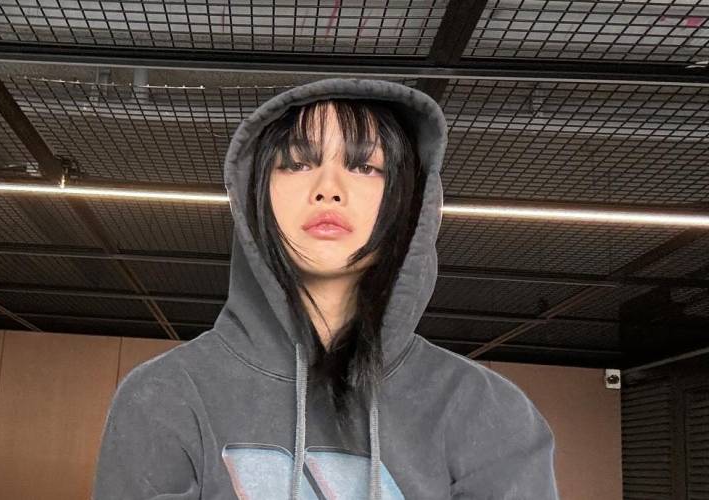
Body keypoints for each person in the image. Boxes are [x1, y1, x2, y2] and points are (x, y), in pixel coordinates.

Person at [92, 78, 559, 499]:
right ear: (255, 194)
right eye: (297, 163)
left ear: (408, 201)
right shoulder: (166, 395)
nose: (328, 189)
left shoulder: (485, 409)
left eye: (365, 166)